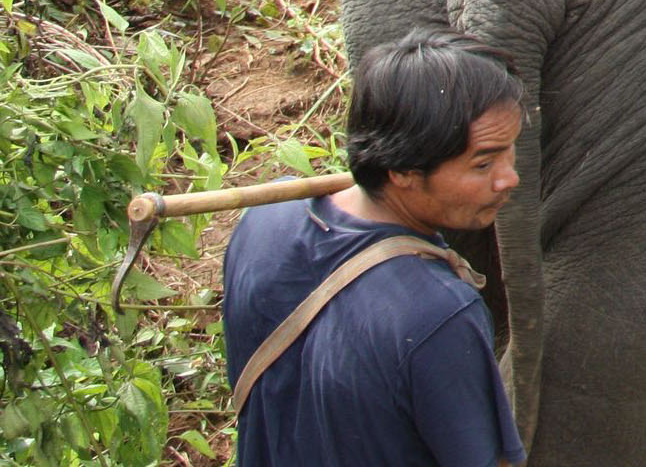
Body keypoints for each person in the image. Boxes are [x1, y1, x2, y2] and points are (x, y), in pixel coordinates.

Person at [221, 29, 527, 467]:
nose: (509, 178)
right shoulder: (439, 314)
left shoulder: (265, 220)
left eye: (509, 151)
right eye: (483, 163)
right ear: (402, 171)